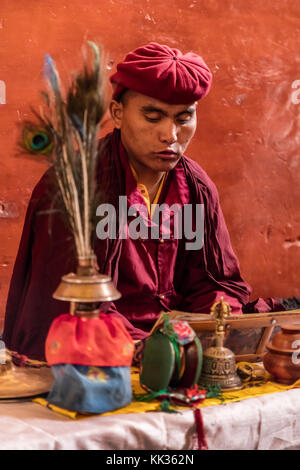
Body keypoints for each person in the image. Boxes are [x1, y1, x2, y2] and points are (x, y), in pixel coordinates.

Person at [2, 42, 283, 361]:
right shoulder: (74, 187)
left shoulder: (196, 187)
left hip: (178, 347)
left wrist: (209, 329)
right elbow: (69, 304)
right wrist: (148, 348)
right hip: (101, 350)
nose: (170, 135)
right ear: (118, 114)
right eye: (153, 117)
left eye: (183, 118)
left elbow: (216, 281)